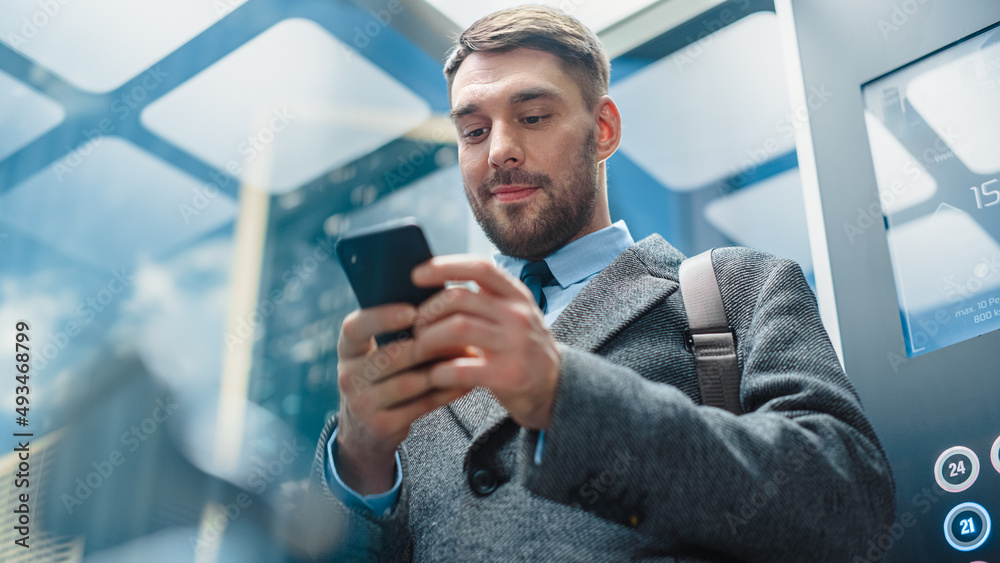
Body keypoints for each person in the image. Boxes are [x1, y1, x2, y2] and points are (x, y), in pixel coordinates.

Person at [307, 5, 895, 561]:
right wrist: (360, 462)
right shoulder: (420, 352)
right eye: (474, 132)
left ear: (605, 129)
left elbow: (850, 503)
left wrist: (563, 395)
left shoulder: (737, 288)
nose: (501, 152)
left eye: (533, 117)